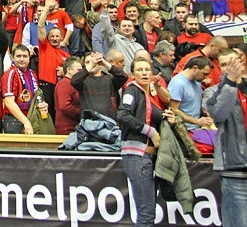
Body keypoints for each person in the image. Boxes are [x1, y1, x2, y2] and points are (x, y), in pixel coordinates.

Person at [117, 57, 176, 227]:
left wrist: (169, 120)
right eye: (139, 70)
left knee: (148, 213)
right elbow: (123, 115)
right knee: (147, 214)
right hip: (137, 157)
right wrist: (150, 131)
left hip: (147, 158)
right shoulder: (132, 91)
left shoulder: (146, 94)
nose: (144, 73)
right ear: (132, 74)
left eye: (147, 69)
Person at [202, 49, 247, 227]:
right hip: (234, 169)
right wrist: (230, 83)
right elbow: (219, 114)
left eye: (233, 62)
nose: (229, 67)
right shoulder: (212, 93)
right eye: (224, 65)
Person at [0, 45, 46, 134]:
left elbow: (36, 96)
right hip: (14, 120)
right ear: (13, 58)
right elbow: (9, 102)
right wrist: (26, 122)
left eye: (25, 56)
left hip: (30, 117)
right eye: (18, 56)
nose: (22, 59)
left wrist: (43, 104)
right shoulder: (11, 74)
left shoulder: (32, 74)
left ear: (29, 58)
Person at [71, 52, 128, 120]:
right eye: (87, 62)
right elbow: (73, 81)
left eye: (95, 61)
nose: (93, 63)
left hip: (110, 124)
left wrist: (105, 63)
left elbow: (124, 76)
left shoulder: (110, 79)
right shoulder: (83, 81)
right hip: (90, 124)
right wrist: (91, 65)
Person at [168, 56, 214, 130]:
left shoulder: (197, 81)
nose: (206, 77)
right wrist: (196, 121)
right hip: (183, 129)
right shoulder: (178, 83)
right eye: (204, 74)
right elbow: (173, 109)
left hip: (196, 127)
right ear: (195, 68)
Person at [54, 57, 82, 135]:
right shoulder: (65, 84)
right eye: (78, 70)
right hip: (67, 130)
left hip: (74, 128)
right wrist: (80, 113)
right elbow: (64, 106)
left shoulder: (73, 84)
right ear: (69, 70)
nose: (81, 73)